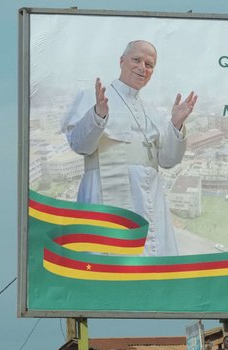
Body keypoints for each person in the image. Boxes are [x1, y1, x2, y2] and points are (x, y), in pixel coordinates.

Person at [63, 40, 196, 257]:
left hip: (150, 197)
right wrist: (98, 114)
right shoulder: (91, 97)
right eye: (137, 60)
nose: (143, 67)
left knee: (152, 257)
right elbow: (80, 145)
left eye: (149, 64)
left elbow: (168, 160)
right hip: (103, 194)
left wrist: (176, 124)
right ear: (122, 61)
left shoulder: (152, 109)